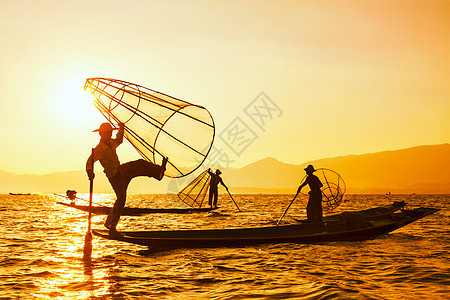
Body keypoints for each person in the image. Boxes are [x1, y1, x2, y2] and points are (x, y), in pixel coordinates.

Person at [86, 122, 168, 235]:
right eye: (106, 133)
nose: (109, 134)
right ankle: (111, 225)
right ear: (101, 134)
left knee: (140, 164)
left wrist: (121, 128)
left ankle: (158, 172)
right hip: (115, 176)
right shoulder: (99, 149)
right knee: (121, 199)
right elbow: (90, 161)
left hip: (121, 170)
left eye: (110, 132)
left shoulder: (111, 142)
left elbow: (119, 140)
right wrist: (90, 172)